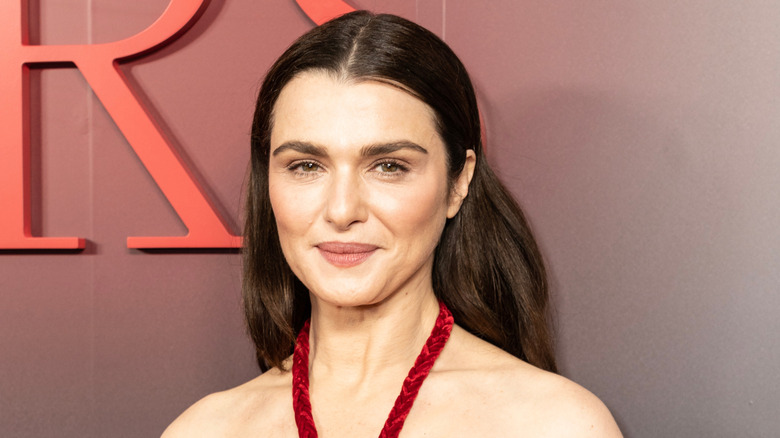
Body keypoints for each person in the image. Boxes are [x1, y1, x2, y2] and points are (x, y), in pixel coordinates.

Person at [163, 11, 622, 437]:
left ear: (458, 182)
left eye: (388, 166)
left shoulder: (554, 424)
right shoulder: (204, 429)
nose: (342, 211)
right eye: (306, 166)